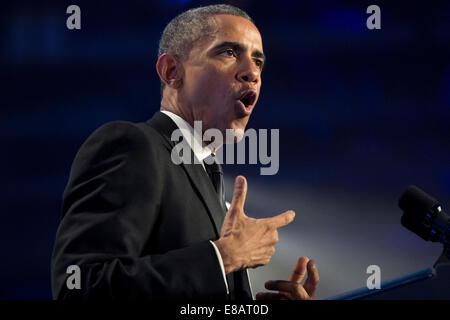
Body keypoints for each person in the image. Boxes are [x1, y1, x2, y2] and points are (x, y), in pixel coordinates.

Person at [51, 4, 319, 300]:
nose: (251, 72)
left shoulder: (206, 176)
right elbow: (78, 288)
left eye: (258, 62)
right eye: (229, 52)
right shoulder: (133, 145)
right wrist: (223, 257)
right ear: (172, 71)